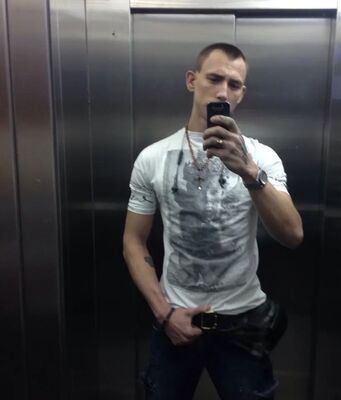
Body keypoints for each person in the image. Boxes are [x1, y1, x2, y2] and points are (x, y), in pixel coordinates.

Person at [123, 42, 303, 400]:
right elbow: (133, 240)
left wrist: (249, 172)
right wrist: (163, 312)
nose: (223, 92)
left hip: (243, 323)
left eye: (234, 84)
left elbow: (292, 234)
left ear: (242, 93)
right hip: (175, 318)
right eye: (214, 78)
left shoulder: (262, 158)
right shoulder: (152, 158)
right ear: (192, 80)